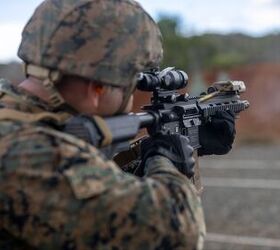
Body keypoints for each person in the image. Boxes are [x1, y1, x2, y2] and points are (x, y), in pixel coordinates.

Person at [0, 0, 235, 249]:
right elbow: (175, 232)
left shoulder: (19, 120)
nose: (132, 96)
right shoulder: (31, 155)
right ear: (97, 89)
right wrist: (169, 166)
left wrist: (156, 150)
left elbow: (94, 187)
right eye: (132, 83)